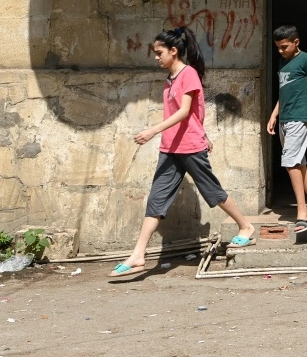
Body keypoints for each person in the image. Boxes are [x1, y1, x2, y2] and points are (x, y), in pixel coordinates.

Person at [110, 27, 256, 278]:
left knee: (212, 190)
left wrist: (153, 130)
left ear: (174, 51)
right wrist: (201, 133)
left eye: (159, 53)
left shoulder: (188, 74)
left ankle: (246, 227)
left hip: (188, 146)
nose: (156, 57)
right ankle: (138, 255)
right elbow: (195, 113)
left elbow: (185, 112)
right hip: (170, 148)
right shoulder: (170, 79)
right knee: (156, 199)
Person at [267, 25, 307, 233]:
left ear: (296, 42)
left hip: (300, 116)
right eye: (277, 47)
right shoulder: (282, 62)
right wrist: (274, 114)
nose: (280, 51)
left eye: (284, 47)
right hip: (285, 118)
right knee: (298, 163)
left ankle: (302, 211)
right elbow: (283, 91)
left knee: (290, 162)